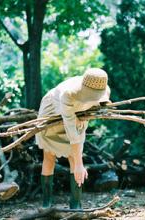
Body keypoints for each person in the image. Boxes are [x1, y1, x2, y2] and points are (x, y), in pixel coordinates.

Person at [35, 68, 111, 209]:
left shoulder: (102, 88)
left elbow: (88, 115)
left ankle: (76, 204)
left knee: (74, 156)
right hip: (52, 114)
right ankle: (46, 204)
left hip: (77, 117)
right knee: (49, 156)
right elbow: (71, 130)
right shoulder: (68, 94)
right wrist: (79, 164)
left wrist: (78, 162)